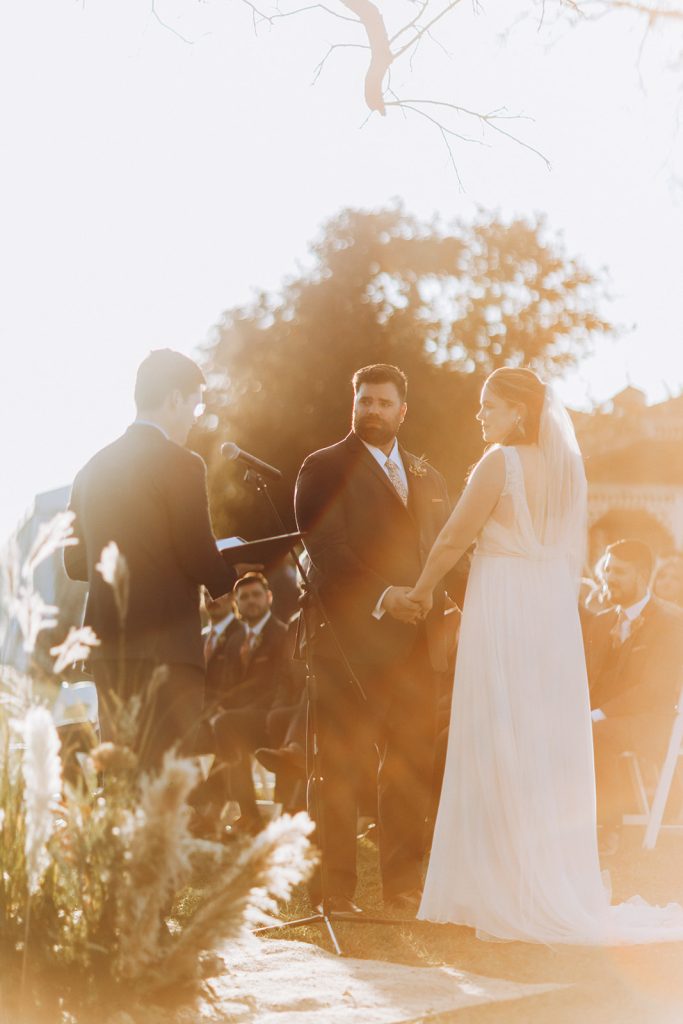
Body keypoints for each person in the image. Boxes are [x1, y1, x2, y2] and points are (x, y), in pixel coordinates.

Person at [408, 366, 683, 944]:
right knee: (535, 741)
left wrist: (422, 588)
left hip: (502, 604)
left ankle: (498, 887)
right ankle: (532, 880)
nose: (480, 415)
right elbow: (565, 552)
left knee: (495, 733)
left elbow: (455, 535)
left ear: (518, 411)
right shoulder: (566, 470)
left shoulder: (500, 463)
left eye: (489, 405)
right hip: (547, 613)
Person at [294, 363, 455, 913]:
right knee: (339, 768)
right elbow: (326, 548)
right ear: (354, 403)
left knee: (410, 765)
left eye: (384, 403)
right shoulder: (323, 467)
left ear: (402, 411)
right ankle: (334, 892)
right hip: (348, 642)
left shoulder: (428, 477)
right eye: (364, 400)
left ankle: (403, 887)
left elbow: (443, 548)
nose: (372, 410)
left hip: (416, 643)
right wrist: (387, 596)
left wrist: (439, 598)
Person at [64, 348, 235, 767]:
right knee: (166, 775)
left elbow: (74, 562)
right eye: (194, 405)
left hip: (109, 649)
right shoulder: (182, 464)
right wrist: (229, 579)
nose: (195, 418)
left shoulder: (90, 469)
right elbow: (196, 552)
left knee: (122, 774)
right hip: (167, 649)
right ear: (174, 399)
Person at [587, 539, 683, 855]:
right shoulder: (601, 621)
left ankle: (608, 830)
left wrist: (598, 714)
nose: (609, 578)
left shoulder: (671, 620)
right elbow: (589, 679)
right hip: (605, 715)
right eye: (607, 569)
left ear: (641, 575)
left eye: (619, 572)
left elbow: (654, 688)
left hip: (652, 721)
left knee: (595, 733)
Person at [212, 572, 291, 834]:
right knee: (218, 725)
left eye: (256, 594)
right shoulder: (235, 641)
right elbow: (227, 686)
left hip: (272, 715)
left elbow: (282, 686)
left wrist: (234, 712)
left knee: (226, 726)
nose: (251, 601)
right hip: (240, 719)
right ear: (236, 603)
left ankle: (246, 813)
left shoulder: (283, 635)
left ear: (269, 597)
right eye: (244, 597)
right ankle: (235, 812)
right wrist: (221, 706)